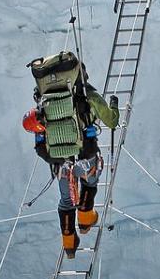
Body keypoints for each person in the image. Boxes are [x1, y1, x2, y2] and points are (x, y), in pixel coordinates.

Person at [22, 51, 119, 258]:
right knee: (90, 182)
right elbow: (111, 121)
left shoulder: (44, 102)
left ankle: (69, 242)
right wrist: (114, 106)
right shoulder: (87, 95)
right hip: (85, 155)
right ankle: (85, 219)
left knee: (66, 201)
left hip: (59, 161)